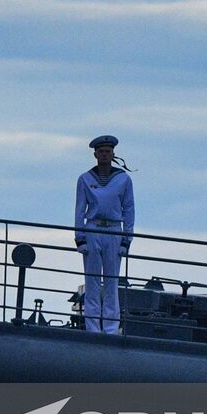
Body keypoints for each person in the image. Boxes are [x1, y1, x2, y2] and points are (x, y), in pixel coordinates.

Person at [74, 135, 135, 334]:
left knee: (111, 282)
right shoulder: (85, 179)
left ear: (113, 154)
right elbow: (79, 209)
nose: (104, 155)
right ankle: (93, 328)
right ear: (95, 154)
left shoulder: (123, 179)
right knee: (92, 282)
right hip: (93, 229)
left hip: (114, 231)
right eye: (101, 152)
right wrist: (80, 238)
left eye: (107, 152)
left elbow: (129, 209)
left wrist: (127, 239)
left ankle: (109, 328)